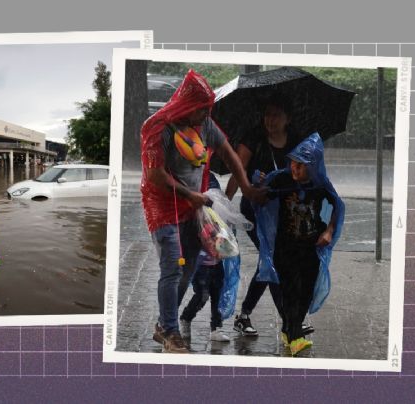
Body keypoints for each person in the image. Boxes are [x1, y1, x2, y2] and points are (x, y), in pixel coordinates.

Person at [140, 69, 265, 353]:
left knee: (188, 269)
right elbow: (155, 175)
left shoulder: (205, 124)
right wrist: (190, 194)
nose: (205, 115)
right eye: (200, 109)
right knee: (172, 266)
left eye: (208, 109)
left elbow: (229, 154)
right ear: (187, 105)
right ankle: (171, 333)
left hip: (193, 205)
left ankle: (163, 323)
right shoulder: (157, 126)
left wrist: (245, 187)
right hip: (162, 204)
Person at [253, 133, 345, 355]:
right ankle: (294, 338)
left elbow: (338, 206)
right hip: (285, 248)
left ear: (313, 166)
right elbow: (257, 198)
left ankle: (289, 330)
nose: (294, 168)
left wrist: (330, 230)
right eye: (293, 162)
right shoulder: (281, 179)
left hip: (310, 247)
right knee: (290, 291)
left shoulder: (320, 183)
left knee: (305, 292)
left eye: (301, 165)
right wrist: (259, 183)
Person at [224, 95, 306, 337]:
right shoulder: (254, 138)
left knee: (268, 262)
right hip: (255, 210)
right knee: (273, 261)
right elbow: (237, 172)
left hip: (284, 210)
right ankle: (290, 323)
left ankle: (245, 315)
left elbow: (305, 172)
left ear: (287, 118)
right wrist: (223, 208)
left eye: (276, 115)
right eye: (267, 114)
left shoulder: (296, 140)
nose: (270, 120)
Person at [178, 173, 230, 342]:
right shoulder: (193, 218)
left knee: (218, 293)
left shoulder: (216, 218)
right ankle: (186, 317)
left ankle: (216, 327)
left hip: (217, 260)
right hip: (201, 263)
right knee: (202, 294)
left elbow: (225, 236)